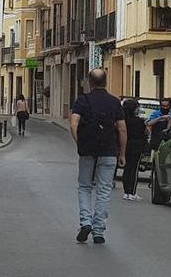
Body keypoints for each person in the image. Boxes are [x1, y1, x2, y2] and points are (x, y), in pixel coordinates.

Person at [70, 69, 127, 245]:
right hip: (109, 150)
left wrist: (80, 143)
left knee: (85, 187)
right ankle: (98, 230)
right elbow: (122, 129)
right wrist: (122, 153)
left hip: (88, 150)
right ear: (106, 82)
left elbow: (73, 124)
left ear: (90, 82)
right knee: (103, 191)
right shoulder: (115, 102)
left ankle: (85, 222)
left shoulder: (82, 100)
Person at [121, 99, 147, 201]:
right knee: (134, 169)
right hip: (137, 146)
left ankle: (126, 192)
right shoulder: (139, 121)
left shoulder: (123, 121)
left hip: (126, 145)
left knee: (127, 168)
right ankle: (132, 192)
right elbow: (145, 133)